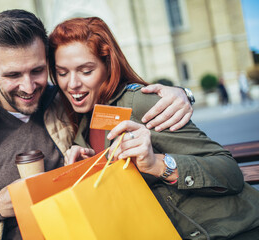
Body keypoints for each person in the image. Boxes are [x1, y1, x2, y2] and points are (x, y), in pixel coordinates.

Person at [0, 10, 194, 239]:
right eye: (13, 75)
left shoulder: (65, 100)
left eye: (37, 71)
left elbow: (116, 92)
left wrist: (181, 93)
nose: (28, 87)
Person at [48, 17, 259, 239]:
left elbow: (230, 172)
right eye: (62, 73)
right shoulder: (82, 121)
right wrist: (87, 170)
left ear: (108, 66)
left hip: (231, 231)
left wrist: (158, 164)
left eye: (86, 71)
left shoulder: (141, 103)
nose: (71, 84)